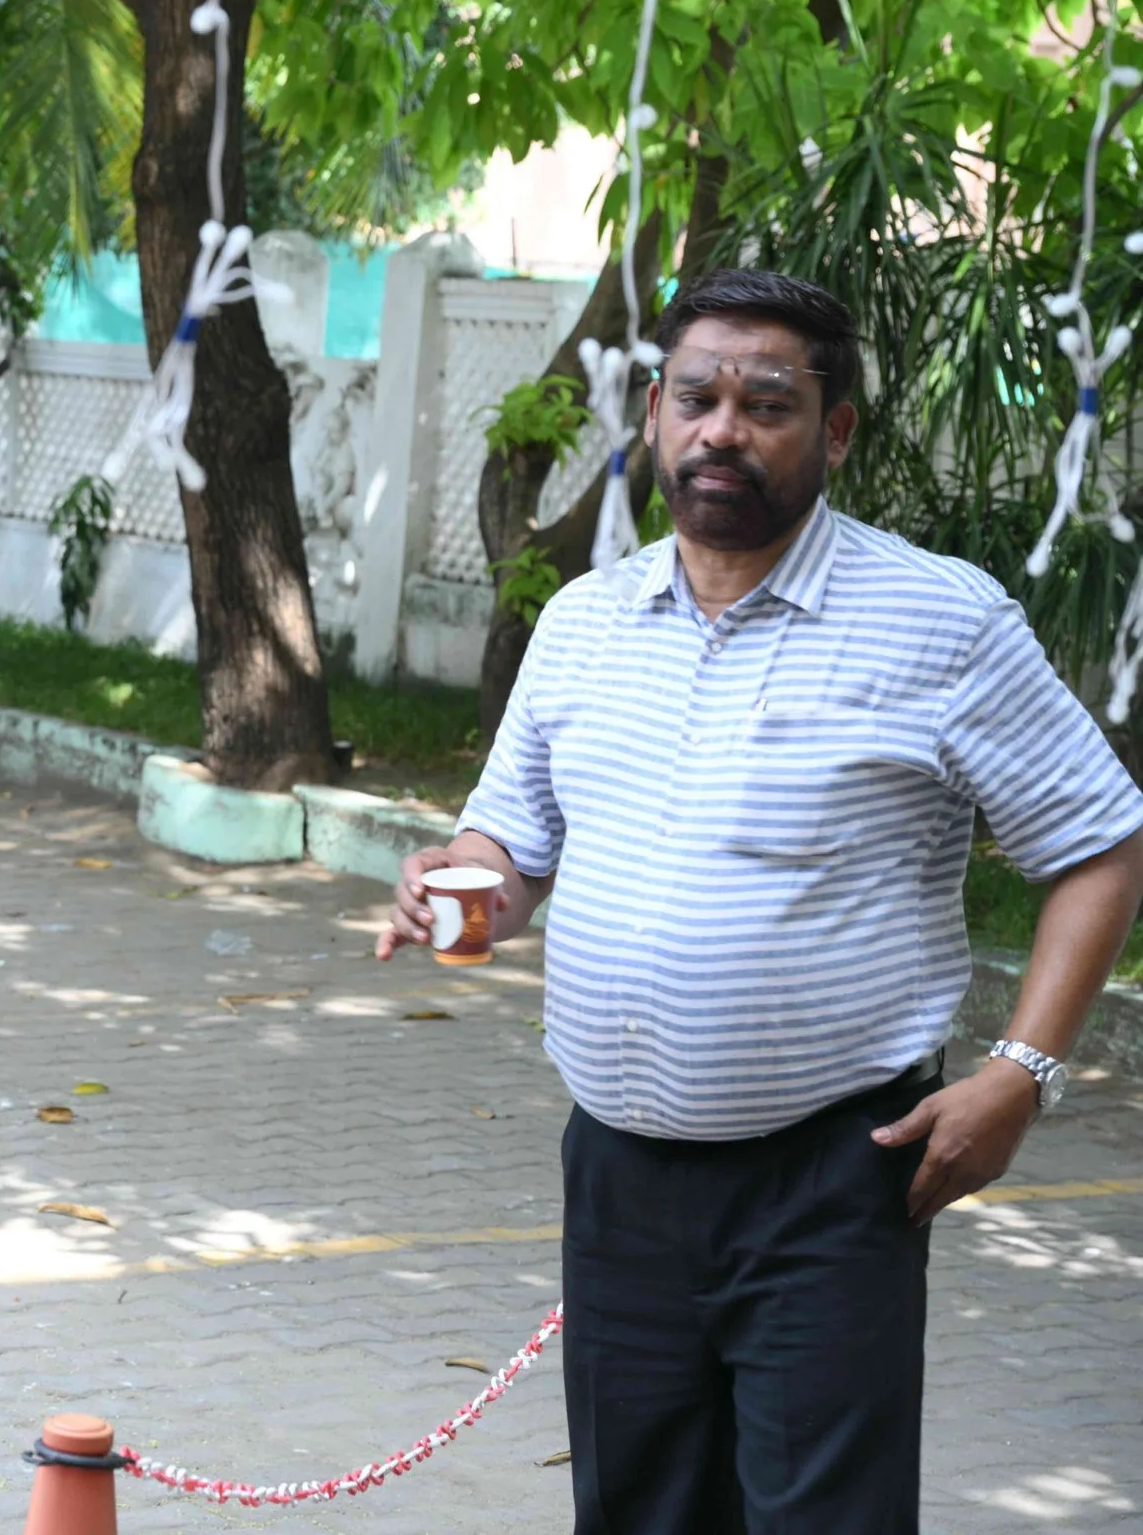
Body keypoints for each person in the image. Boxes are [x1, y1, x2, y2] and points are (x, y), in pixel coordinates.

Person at [378, 269, 1143, 1532]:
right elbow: (509, 841)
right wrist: (455, 886)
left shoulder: (940, 621)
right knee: (638, 1508)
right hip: (617, 1172)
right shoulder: (583, 621)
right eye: (694, 396)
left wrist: (1021, 1070)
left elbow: (1100, 845)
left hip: (834, 1174)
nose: (720, 427)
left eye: (764, 402)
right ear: (654, 415)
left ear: (834, 430)